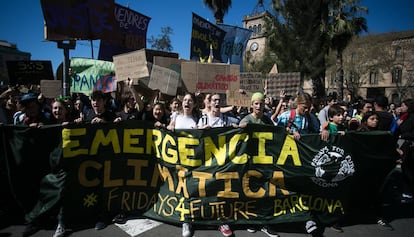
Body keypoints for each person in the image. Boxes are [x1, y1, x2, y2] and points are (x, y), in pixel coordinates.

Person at [196, 93, 238, 236]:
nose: (217, 103)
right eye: (214, 100)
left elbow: (241, 126)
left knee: (221, 191)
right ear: (210, 103)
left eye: (219, 100)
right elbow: (194, 136)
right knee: (205, 189)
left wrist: (237, 127)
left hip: (222, 163)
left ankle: (222, 221)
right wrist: (201, 131)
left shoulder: (227, 119)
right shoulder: (203, 119)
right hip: (206, 162)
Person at [238, 92, 279, 237]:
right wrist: (241, 127)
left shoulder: (267, 120)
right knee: (250, 191)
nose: (259, 106)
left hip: (265, 162)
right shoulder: (246, 119)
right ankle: (251, 220)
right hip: (249, 162)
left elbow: (277, 132)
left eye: (261, 103)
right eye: (256, 103)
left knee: (265, 191)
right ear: (252, 105)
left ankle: (264, 222)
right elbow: (236, 135)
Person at [166, 92, 199, 237]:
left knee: (189, 190)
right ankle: (182, 218)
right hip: (176, 160)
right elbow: (169, 127)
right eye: (185, 100)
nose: (187, 102)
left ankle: (189, 219)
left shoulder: (198, 119)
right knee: (179, 189)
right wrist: (169, 128)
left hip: (192, 161)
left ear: (194, 104)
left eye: (190, 100)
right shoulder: (175, 117)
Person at [394, 99, 414, 204]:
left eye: (403, 105)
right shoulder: (405, 116)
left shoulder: (411, 117)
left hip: (409, 147)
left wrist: (401, 134)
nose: (401, 107)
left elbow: (405, 129)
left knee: (408, 169)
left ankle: (408, 192)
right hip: (406, 145)